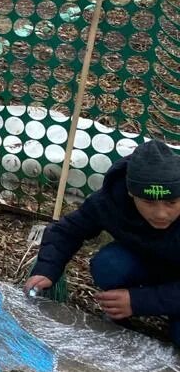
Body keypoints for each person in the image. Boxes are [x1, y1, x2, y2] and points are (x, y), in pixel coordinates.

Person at [24, 139, 180, 346]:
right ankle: (123, 313)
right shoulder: (111, 201)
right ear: (131, 193)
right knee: (109, 264)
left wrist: (139, 301)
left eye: (172, 202)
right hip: (149, 267)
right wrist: (47, 268)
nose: (161, 213)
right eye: (149, 202)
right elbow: (68, 230)